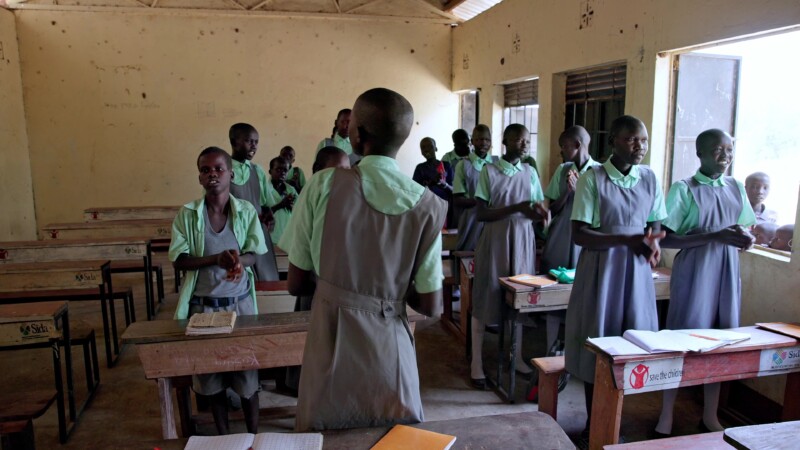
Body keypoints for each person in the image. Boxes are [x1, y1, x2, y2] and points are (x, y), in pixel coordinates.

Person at [286, 88, 447, 431]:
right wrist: (390, 289)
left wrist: (339, 285)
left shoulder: (323, 185)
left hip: (331, 341)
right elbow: (432, 305)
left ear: (356, 135)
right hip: (391, 348)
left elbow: (296, 283)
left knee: (326, 434)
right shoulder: (428, 204)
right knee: (391, 435)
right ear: (402, 139)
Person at [564, 115, 667, 437]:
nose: (640, 146)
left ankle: (616, 418)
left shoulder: (649, 178)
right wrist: (627, 239)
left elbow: (655, 223)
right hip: (601, 272)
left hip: (635, 273)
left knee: (630, 343)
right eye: (631, 139)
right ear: (613, 142)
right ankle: (594, 423)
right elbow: (580, 234)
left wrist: (653, 240)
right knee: (598, 343)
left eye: (644, 140)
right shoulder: (593, 178)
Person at [654, 129, 755, 437]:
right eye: (717, 150)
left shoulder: (737, 187)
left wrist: (746, 238)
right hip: (694, 272)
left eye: (729, 149)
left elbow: (744, 228)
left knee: (721, 342)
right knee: (681, 341)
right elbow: (667, 238)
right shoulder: (684, 189)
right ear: (699, 153)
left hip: (725, 272)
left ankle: (710, 415)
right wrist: (714, 236)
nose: (725, 155)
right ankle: (666, 414)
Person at [169, 146, 267, 435]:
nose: (212, 174)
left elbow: (254, 252)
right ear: (200, 177)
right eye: (205, 170)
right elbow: (179, 260)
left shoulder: (245, 211)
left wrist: (239, 262)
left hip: (240, 306)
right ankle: (224, 437)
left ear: (231, 175)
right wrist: (216, 259)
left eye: (218, 169)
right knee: (211, 377)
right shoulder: (188, 214)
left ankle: (253, 436)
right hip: (204, 307)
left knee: (247, 374)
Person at [469, 123, 549, 389]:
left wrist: (542, 214)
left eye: (527, 140)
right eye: (518, 139)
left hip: (523, 240)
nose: (524, 144)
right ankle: (477, 364)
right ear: (505, 141)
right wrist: (517, 207)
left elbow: (536, 207)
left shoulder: (530, 172)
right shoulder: (488, 171)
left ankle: (516, 357)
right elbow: (481, 213)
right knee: (486, 296)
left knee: (520, 298)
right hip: (496, 239)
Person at [539, 125, 599, 357]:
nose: (561, 151)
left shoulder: (599, 171)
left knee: (581, 295)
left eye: (563, 146)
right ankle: (550, 348)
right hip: (563, 235)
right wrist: (568, 191)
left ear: (577, 145)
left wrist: (581, 191)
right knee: (555, 291)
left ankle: (577, 350)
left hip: (585, 239)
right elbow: (552, 208)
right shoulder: (563, 170)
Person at [228, 122, 280, 281]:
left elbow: (264, 204)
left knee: (266, 279)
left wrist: (269, 216)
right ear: (234, 142)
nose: (254, 146)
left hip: (257, 233)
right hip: (234, 235)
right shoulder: (224, 169)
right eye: (249, 141)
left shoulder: (257, 171)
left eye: (256, 142)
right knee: (242, 279)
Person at [452, 124, 497, 251]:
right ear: (472, 142)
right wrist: (482, 202)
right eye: (479, 139)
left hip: (493, 218)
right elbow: (457, 199)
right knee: (468, 256)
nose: (483, 143)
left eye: (487, 140)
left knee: (491, 253)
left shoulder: (497, 164)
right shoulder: (463, 165)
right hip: (471, 218)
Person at [413, 137, 454, 225]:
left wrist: (444, 184)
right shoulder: (420, 168)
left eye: (430, 146)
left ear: (436, 148)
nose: (426, 149)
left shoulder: (446, 166)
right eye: (423, 147)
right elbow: (415, 192)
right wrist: (431, 183)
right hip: (427, 210)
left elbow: (454, 190)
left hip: (445, 209)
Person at [263, 156, 297, 245]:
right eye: (278, 170)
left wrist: (292, 207)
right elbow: (262, 214)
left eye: (285, 170)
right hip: (271, 237)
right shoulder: (264, 189)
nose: (282, 173)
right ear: (270, 171)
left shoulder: (291, 190)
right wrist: (281, 205)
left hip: (288, 237)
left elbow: (299, 212)